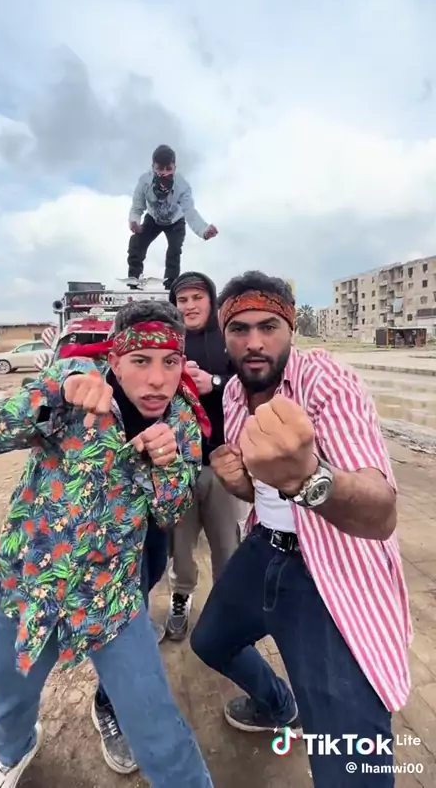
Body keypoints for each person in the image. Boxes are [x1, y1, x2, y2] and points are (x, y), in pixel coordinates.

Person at [0, 300, 214, 788]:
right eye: (140, 361)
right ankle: (13, 751)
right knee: (8, 698)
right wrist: (55, 395)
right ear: (115, 359)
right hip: (27, 582)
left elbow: (171, 513)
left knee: (156, 727)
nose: (158, 380)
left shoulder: (183, 422)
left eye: (170, 362)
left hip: (109, 597)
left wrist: (164, 468)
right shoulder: (73, 383)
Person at [190, 271, 411, 788]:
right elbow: (262, 493)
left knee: (351, 768)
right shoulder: (233, 395)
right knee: (210, 642)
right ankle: (277, 704)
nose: (254, 342)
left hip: (333, 567)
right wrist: (241, 484)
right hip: (264, 548)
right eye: (239, 329)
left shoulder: (325, 382)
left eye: (268, 326)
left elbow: (381, 513)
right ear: (225, 336)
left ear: (290, 327)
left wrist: (308, 479)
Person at [164, 271, 249, 640]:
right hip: (178, 466)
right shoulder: (168, 342)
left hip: (223, 464)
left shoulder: (230, 339)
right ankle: (180, 597)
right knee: (180, 548)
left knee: (227, 545)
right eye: (182, 300)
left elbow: (253, 384)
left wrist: (212, 383)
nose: (190, 306)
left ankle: (227, 610)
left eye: (197, 297)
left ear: (211, 301)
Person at [127, 144, 218, 290]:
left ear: (174, 167)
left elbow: (190, 212)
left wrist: (204, 230)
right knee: (136, 243)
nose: (164, 173)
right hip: (153, 219)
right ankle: (134, 281)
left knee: (174, 250)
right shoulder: (144, 182)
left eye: (168, 169)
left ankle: (170, 285)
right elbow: (137, 207)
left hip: (176, 221)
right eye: (159, 169)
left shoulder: (182, 186)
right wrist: (134, 222)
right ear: (153, 167)